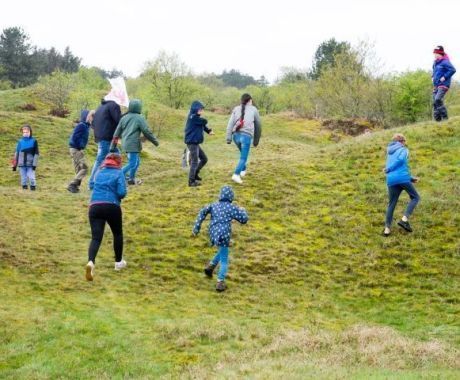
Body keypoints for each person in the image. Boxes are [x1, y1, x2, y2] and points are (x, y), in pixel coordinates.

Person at [193, 185, 249, 292]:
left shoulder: (214, 205)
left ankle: (210, 267)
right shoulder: (232, 207)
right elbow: (244, 219)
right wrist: (243, 210)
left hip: (213, 232)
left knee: (223, 250)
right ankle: (220, 282)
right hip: (224, 233)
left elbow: (202, 212)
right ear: (231, 197)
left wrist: (196, 228)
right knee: (224, 260)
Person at [85, 152, 127, 281]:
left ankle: (91, 262)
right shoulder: (119, 173)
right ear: (118, 162)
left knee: (96, 238)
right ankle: (118, 263)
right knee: (117, 234)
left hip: (95, 206)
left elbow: (91, 184)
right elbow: (121, 192)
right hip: (112, 206)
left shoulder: (99, 171)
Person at [109, 99, 159, 185]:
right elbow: (146, 131)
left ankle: (131, 179)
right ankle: (117, 176)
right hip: (133, 144)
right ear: (139, 107)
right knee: (132, 163)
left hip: (125, 143)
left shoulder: (124, 118)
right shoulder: (139, 118)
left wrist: (113, 146)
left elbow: (116, 134)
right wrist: (155, 141)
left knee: (136, 162)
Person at [383, 134, 420, 236]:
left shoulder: (389, 152)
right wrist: (390, 169)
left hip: (391, 180)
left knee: (391, 204)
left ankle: (387, 229)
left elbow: (395, 167)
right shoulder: (404, 150)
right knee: (415, 197)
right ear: (402, 141)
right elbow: (401, 161)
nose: (405, 143)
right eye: (404, 141)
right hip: (402, 178)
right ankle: (404, 219)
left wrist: (411, 178)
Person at [226, 93, 261, 184]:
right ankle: (236, 174)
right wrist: (256, 141)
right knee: (243, 158)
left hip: (235, 136)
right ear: (250, 100)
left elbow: (230, 124)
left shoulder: (236, 108)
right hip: (246, 137)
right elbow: (258, 126)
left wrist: (228, 138)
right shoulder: (254, 109)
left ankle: (242, 170)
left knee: (242, 154)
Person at [88, 96, 122, 189]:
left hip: (102, 137)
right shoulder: (113, 105)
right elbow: (120, 121)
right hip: (107, 138)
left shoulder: (101, 106)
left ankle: (115, 179)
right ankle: (92, 183)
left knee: (117, 156)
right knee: (101, 160)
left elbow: (94, 123)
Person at [184, 100, 214, 187]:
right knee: (194, 162)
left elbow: (203, 125)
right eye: (200, 110)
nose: (201, 111)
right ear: (195, 109)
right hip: (192, 142)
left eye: (202, 110)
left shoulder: (196, 118)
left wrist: (209, 131)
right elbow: (204, 121)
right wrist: (202, 118)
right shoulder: (192, 117)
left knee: (204, 159)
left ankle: (195, 174)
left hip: (195, 143)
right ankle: (191, 181)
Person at [67, 110, 94, 193]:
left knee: (78, 169)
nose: (92, 118)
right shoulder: (81, 125)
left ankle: (74, 187)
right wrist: (80, 147)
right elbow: (74, 137)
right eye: (91, 116)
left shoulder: (86, 126)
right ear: (86, 117)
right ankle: (72, 184)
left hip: (75, 149)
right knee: (85, 168)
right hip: (76, 149)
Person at [432, 46, 456, 122]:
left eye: (435, 53)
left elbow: (453, 70)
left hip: (443, 84)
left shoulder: (445, 62)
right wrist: (432, 76)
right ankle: (438, 121)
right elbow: (435, 72)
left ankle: (445, 119)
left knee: (438, 99)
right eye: (434, 53)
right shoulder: (435, 63)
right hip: (436, 84)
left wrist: (445, 77)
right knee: (435, 102)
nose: (434, 55)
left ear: (439, 53)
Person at [12, 124, 39, 190]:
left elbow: (36, 153)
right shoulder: (20, 142)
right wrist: (14, 165)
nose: (25, 133)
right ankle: (24, 189)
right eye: (24, 132)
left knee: (31, 177)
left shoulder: (34, 141)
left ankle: (33, 188)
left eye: (27, 132)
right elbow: (16, 153)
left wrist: (34, 164)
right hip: (21, 164)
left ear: (30, 132)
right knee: (23, 178)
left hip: (30, 164)